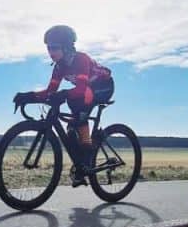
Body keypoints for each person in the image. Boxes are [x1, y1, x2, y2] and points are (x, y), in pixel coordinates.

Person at [13, 25, 115, 181]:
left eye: (55, 47)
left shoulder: (81, 59)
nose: (51, 52)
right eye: (48, 48)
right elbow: (50, 92)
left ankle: (86, 158)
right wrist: (29, 96)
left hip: (103, 87)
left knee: (78, 102)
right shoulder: (59, 67)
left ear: (67, 47)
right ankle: (81, 161)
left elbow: (81, 89)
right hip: (86, 88)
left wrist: (64, 94)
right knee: (72, 125)